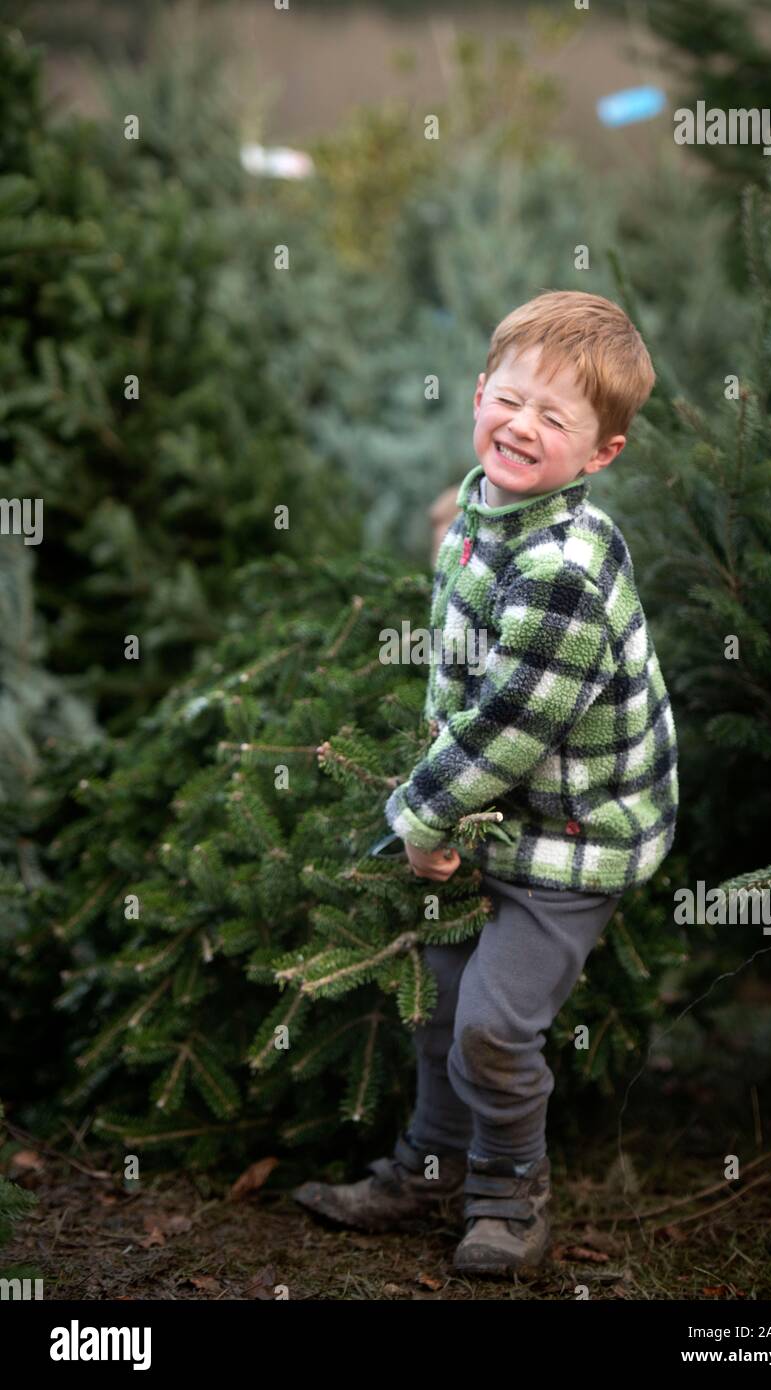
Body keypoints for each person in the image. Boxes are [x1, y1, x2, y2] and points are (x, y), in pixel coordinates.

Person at [292, 290, 679, 1277]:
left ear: (600, 455)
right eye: (509, 399)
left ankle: (510, 1195)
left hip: (570, 837)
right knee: (438, 1003)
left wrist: (423, 812)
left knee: (494, 1026)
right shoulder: (481, 506)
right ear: (477, 394)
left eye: (555, 419)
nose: (521, 425)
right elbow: (463, 664)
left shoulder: (561, 570)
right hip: (500, 818)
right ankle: (429, 1166)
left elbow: (508, 726)